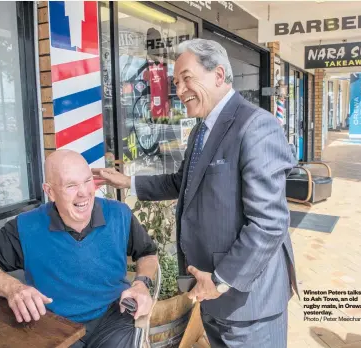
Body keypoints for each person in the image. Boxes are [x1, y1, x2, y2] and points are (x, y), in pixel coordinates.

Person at [93, 39, 298, 348]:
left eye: (186, 77)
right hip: (211, 293)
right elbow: (182, 182)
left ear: (218, 75)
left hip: (247, 300)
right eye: (176, 82)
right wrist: (127, 182)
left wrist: (220, 280)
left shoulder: (256, 126)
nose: (180, 89)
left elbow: (268, 224)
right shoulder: (201, 130)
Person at [0, 150, 158, 348]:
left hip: (113, 316)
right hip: (55, 324)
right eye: (71, 185)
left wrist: (141, 284)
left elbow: (147, 253)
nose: (84, 192)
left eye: (87, 180)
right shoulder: (26, 226)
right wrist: (13, 288)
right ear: (50, 191)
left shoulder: (119, 213)